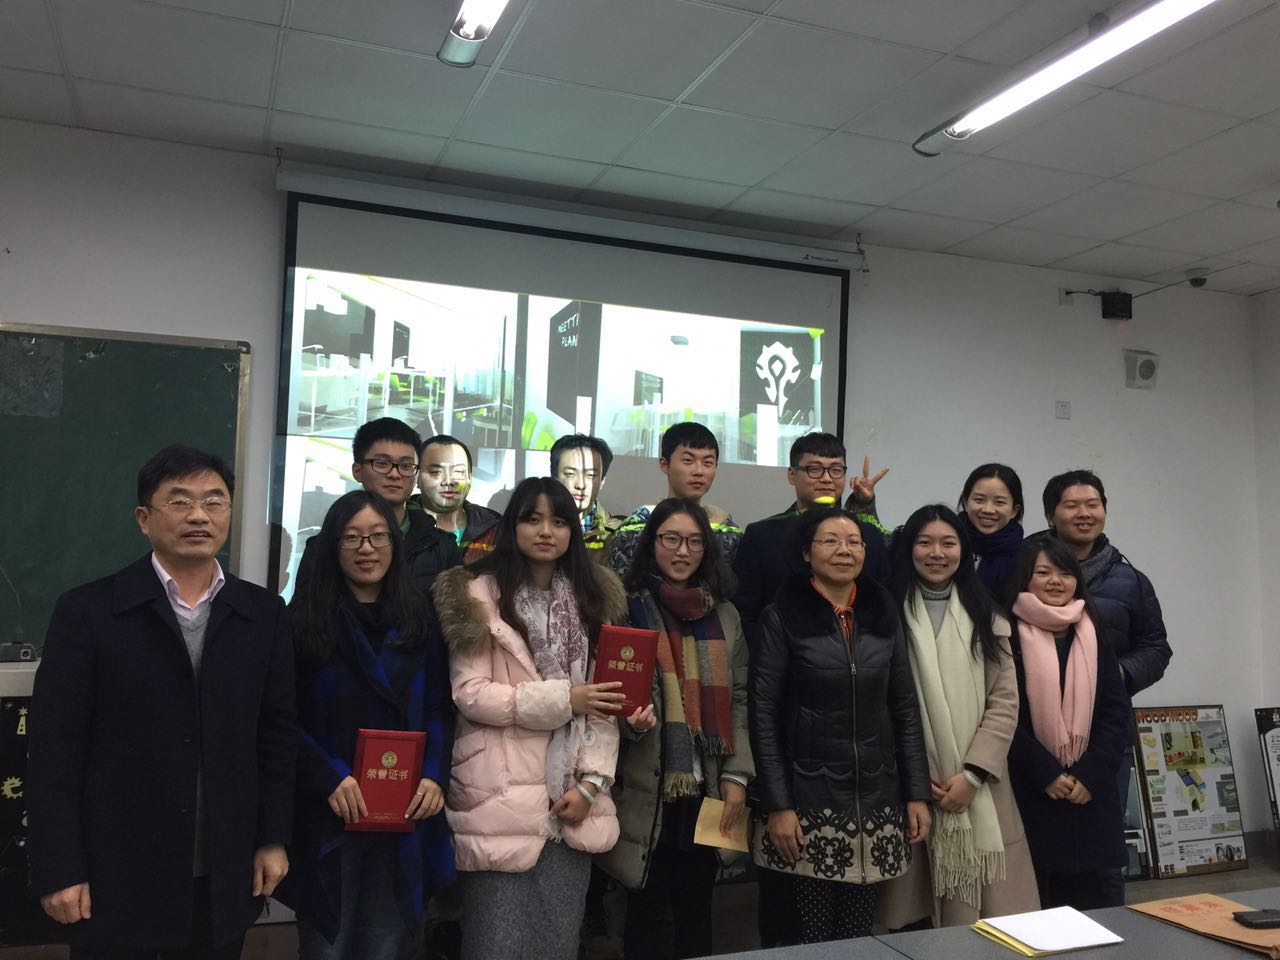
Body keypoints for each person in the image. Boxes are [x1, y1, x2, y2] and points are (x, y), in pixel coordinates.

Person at [27, 445, 295, 958]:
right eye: (179, 501)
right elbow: (54, 751)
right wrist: (59, 867)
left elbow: (276, 736)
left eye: (214, 501)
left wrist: (272, 837)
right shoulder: (88, 612)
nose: (199, 515)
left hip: (223, 872)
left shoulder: (263, 614)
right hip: (117, 874)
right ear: (143, 519)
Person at [432, 478, 628, 960]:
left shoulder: (593, 598)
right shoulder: (476, 593)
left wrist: (592, 786)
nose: (546, 531)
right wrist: (566, 699)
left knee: (555, 944)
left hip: (571, 798)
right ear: (511, 526)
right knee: (493, 944)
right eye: (533, 519)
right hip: (499, 793)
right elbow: (471, 694)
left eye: (559, 521)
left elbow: (603, 704)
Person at [279, 491, 455, 960]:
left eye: (378, 536)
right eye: (351, 537)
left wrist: (434, 775)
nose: (366, 549)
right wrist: (328, 776)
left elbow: (439, 706)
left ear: (394, 544)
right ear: (332, 546)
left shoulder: (420, 619)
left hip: (403, 810)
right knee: (327, 948)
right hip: (327, 810)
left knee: (383, 946)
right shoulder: (302, 622)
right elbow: (281, 720)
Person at [750, 506, 931, 944]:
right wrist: (778, 804)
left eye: (853, 542)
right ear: (807, 553)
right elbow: (763, 714)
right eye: (830, 541)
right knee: (810, 935)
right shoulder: (782, 616)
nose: (844, 550)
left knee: (858, 933)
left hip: (876, 799)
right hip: (806, 801)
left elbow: (904, 708)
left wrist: (916, 793)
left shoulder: (883, 615)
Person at [598, 498, 754, 960]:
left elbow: (739, 698)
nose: (682, 551)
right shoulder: (626, 609)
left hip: (709, 785)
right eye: (671, 539)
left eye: (694, 541)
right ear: (652, 544)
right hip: (648, 785)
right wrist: (629, 722)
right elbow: (610, 693)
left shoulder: (725, 614)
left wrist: (737, 776)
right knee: (645, 916)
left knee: (698, 914)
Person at [878, 505, 1038, 929]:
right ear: (908, 549)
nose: (937, 553)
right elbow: (878, 703)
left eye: (948, 543)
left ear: (963, 551)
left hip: (980, 787)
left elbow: (1005, 703)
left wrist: (971, 775)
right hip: (910, 788)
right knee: (912, 923)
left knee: (990, 925)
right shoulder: (884, 614)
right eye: (925, 542)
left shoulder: (987, 614)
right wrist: (916, 776)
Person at [1003, 538, 1130, 910]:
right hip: (1033, 789)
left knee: (1101, 913)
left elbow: (1115, 711)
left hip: (1092, 791)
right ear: (1025, 578)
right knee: (1041, 911)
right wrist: (1045, 772)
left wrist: (1090, 774)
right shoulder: (1004, 633)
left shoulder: (1093, 631)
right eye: (1043, 572)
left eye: (1065, 572)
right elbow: (1002, 713)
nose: (1055, 581)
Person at [733, 432, 889, 650]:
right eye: (814, 469)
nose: (826, 478)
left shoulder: (868, 536)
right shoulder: (762, 536)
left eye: (836, 470)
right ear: (792, 475)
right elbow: (745, 614)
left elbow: (883, 607)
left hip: (858, 659)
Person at [1040, 470, 1170, 699]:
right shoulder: (1023, 570)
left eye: (1093, 505)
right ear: (1050, 516)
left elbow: (1155, 648)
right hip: (1034, 706)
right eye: (1071, 506)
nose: (1084, 514)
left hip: (1107, 710)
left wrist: (1118, 674)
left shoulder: (1131, 581)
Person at [296, 418, 460, 595]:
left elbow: (457, 611)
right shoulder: (324, 547)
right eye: (382, 464)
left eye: (406, 466)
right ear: (357, 471)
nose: (395, 474)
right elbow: (307, 610)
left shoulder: (442, 547)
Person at [606, 422, 741, 577]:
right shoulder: (635, 528)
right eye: (688, 460)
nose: (699, 471)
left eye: (708, 463)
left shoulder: (728, 532)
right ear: (665, 464)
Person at [414, 434, 501, 564]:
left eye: (459, 472)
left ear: (469, 478)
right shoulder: (400, 526)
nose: (449, 481)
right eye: (436, 472)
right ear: (417, 477)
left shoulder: (494, 528)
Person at [550, 433, 621, 563]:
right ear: (554, 477)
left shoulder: (619, 533)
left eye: (591, 475)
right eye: (570, 474)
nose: (580, 485)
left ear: (602, 481)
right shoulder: (535, 528)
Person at [956, 463, 1025, 597]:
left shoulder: (1026, 557)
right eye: (979, 500)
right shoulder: (947, 546)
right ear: (965, 503)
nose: (988, 509)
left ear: (1014, 510)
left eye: (999, 502)